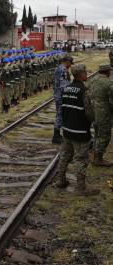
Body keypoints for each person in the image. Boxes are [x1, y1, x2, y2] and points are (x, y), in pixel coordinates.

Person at [54, 64, 99, 196]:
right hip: (80, 131)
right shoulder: (84, 91)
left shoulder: (67, 88)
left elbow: (62, 108)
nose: (87, 74)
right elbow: (90, 113)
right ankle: (80, 187)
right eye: (85, 72)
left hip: (67, 129)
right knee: (81, 158)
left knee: (64, 156)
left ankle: (61, 180)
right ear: (80, 75)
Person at [89, 64, 113, 166]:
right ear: (108, 71)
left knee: (97, 134)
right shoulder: (108, 83)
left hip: (94, 112)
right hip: (104, 114)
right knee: (104, 136)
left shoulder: (93, 80)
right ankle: (98, 159)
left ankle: (95, 155)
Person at [52, 55, 73, 144]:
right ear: (67, 62)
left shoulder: (60, 69)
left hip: (59, 95)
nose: (71, 66)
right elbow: (64, 86)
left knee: (60, 114)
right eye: (70, 63)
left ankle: (58, 134)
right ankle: (56, 136)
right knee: (60, 115)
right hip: (61, 96)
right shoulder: (63, 70)